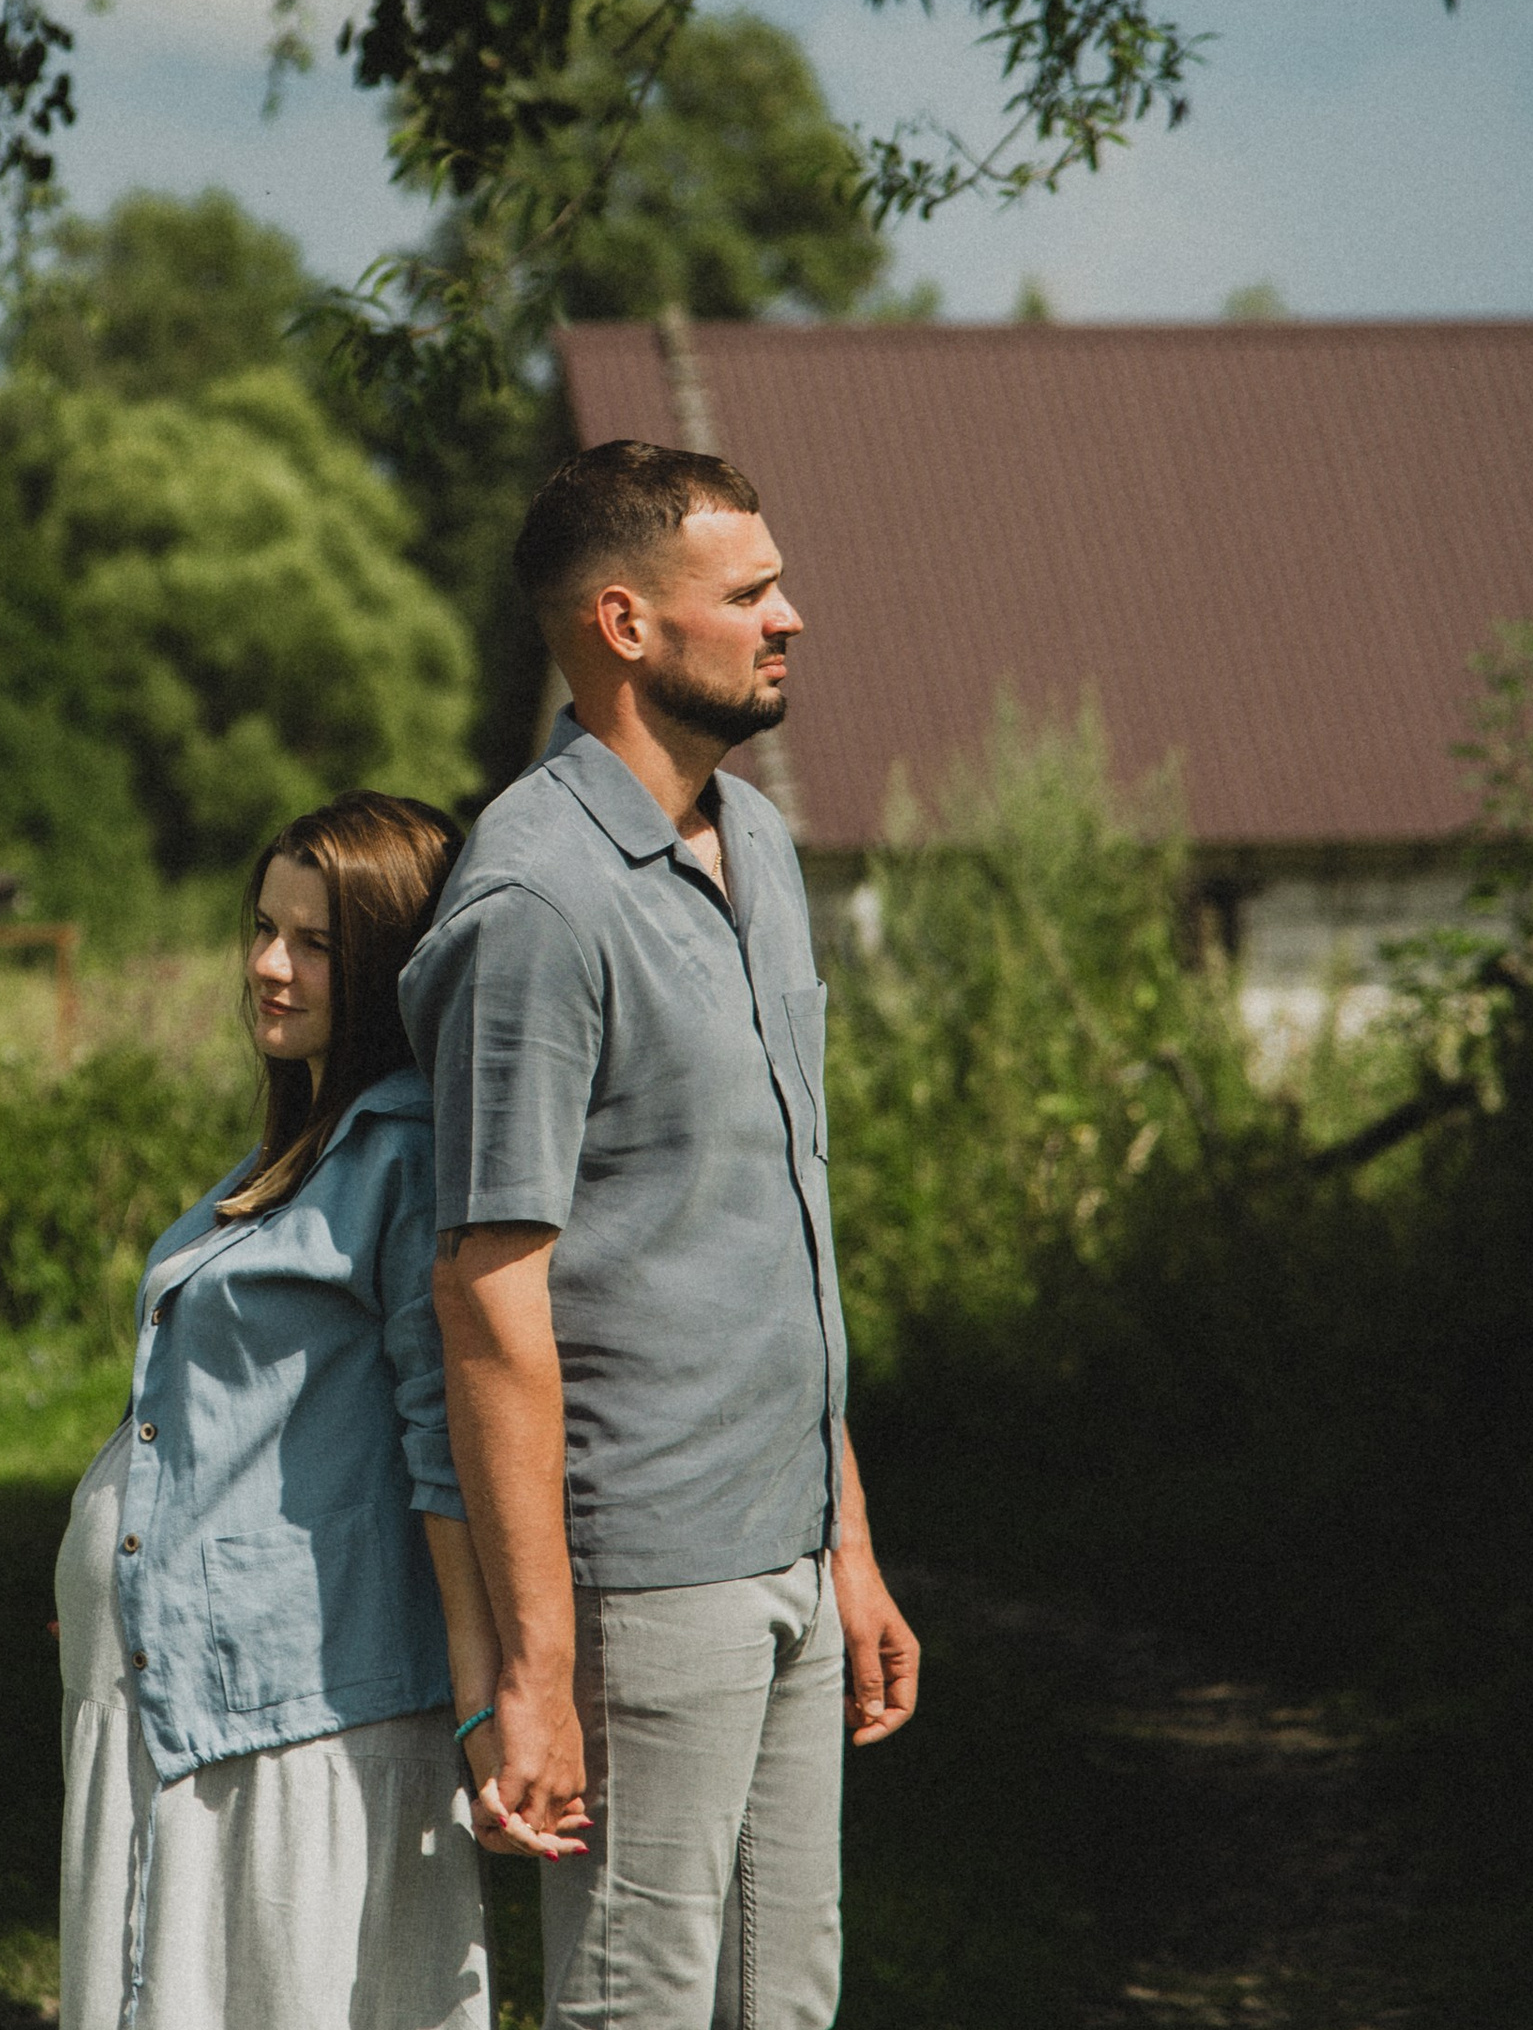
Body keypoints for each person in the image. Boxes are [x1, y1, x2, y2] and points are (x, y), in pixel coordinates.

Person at [400, 440, 920, 2030]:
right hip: (642, 1581)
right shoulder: (535, 906)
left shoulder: (753, 842)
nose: (792, 618)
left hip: (781, 1543)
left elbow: (771, 1228)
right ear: (626, 625)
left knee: (788, 2001)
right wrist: (536, 1675)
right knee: (640, 2005)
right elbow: (489, 1300)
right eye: (750, 592)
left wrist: (845, 1537)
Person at [55, 791, 580, 2030]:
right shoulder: (300, 1151)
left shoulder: (400, 1156)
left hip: (295, 1703)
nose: (266, 964)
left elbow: (439, 1430)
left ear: (392, 963)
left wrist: (481, 1694)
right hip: (173, 1688)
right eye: (261, 926)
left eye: (313, 941)